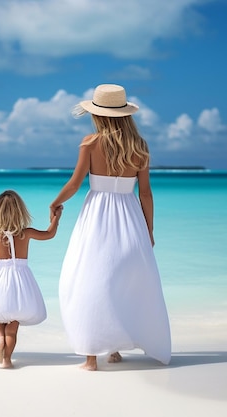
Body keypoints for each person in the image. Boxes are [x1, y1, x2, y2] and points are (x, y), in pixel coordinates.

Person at [50, 84, 171, 371]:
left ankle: (91, 357)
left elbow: (75, 184)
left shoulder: (90, 143)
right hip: (130, 218)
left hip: (97, 217)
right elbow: (145, 194)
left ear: (98, 115)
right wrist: (149, 230)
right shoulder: (140, 148)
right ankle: (114, 348)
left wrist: (55, 202)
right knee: (120, 281)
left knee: (89, 279)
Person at [0, 190, 62, 369]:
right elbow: (49, 234)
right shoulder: (25, 233)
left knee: (1, 317)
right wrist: (56, 218)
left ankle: (0, 341)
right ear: (20, 211)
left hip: (0, 281)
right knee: (13, 325)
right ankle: (7, 359)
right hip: (20, 282)